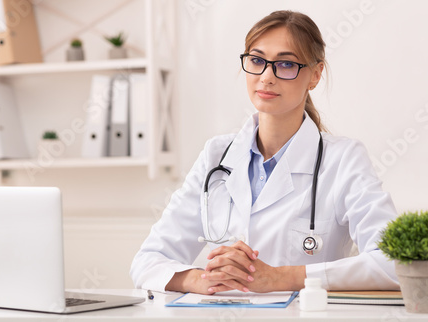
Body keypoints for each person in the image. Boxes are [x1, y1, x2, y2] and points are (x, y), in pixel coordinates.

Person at [130, 10, 399, 294]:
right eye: (257, 61)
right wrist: (202, 279)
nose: (267, 77)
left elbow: (394, 263)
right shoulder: (216, 154)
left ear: (315, 75)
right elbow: (146, 262)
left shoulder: (344, 158)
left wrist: (283, 277)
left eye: (285, 64)